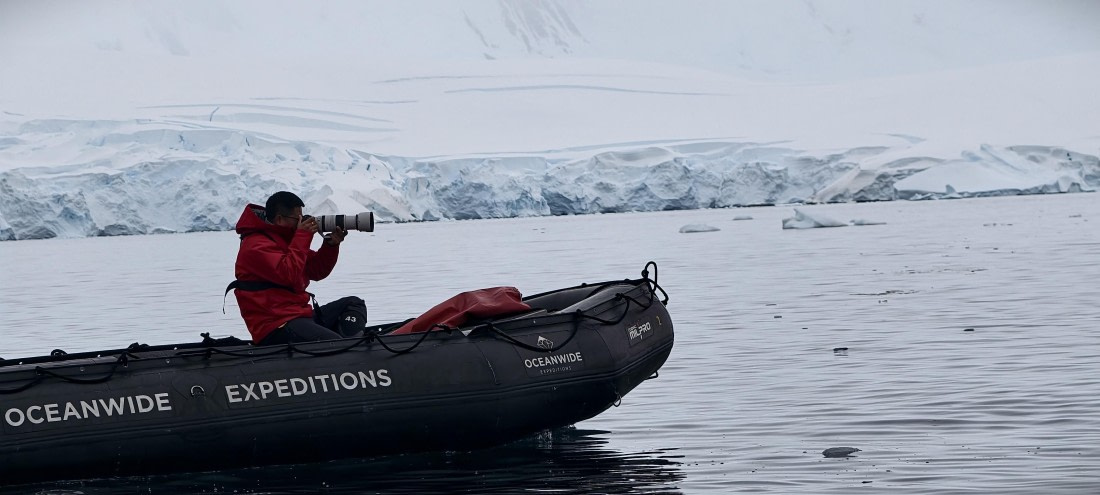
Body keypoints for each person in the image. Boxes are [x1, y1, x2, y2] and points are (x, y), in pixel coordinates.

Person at [229, 191, 368, 345]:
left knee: (354, 304)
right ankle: (346, 350)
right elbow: (289, 274)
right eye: (298, 219)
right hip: (275, 325)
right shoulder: (255, 246)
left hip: (299, 316)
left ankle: (351, 349)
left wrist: (330, 246)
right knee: (334, 344)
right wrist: (302, 235)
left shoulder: (283, 239)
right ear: (280, 219)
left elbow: (316, 271)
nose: (301, 222)